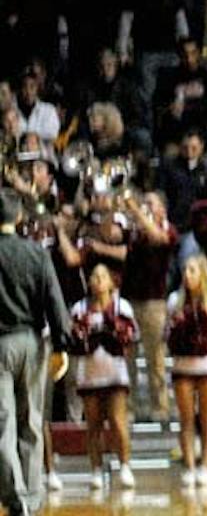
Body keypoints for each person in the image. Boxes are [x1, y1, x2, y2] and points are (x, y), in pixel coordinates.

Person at [0, 188, 69, 516]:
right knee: (32, 421)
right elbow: (53, 298)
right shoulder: (36, 252)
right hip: (31, 341)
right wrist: (62, 342)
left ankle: (14, 497)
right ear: (18, 217)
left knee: (3, 423)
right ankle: (30, 496)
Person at [165, 254, 207, 488]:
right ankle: (190, 466)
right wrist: (182, 337)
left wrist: (203, 336)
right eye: (185, 270)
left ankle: (205, 466)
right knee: (185, 419)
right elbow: (167, 333)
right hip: (182, 365)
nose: (187, 275)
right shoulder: (175, 301)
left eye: (192, 270)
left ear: (203, 274)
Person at [70, 262, 137, 490]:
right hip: (89, 374)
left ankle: (125, 466)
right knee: (93, 425)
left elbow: (130, 339)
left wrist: (113, 331)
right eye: (94, 276)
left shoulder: (121, 306)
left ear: (111, 282)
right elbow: (74, 341)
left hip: (115, 373)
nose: (98, 280)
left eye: (102, 276)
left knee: (118, 421)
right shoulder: (80, 308)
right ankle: (96, 471)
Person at [121, 190, 175, 422]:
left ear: (162, 209)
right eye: (144, 203)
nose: (145, 206)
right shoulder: (135, 231)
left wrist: (134, 209)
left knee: (156, 357)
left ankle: (160, 405)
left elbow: (159, 238)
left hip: (154, 301)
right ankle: (128, 406)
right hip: (130, 299)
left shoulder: (168, 230)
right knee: (128, 357)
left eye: (151, 203)